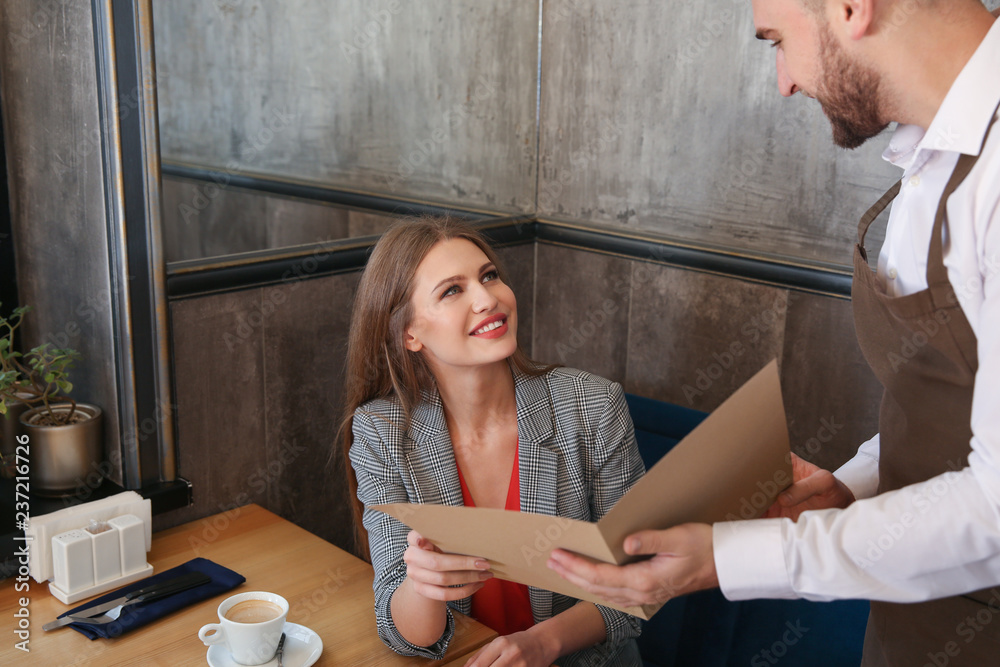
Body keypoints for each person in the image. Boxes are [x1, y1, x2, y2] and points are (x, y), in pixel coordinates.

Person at [547, 1, 1000, 664]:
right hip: (911, 628)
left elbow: (993, 510)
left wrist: (725, 559)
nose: (784, 81)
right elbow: (948, 409)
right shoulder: (932, 161)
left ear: (850, 8)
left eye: (778, 42)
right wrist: (855, 481)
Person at [339, 217, 645, 666]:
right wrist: (422, 585)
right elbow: (405, 635)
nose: (488, 298)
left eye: (489, 276)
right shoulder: (381, 434)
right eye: (452, 290)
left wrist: (543, 643)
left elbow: (637, 585)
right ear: (410, 333)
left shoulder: (593, 406)